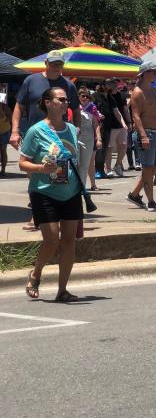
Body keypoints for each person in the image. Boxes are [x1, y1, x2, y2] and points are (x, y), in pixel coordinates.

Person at [20, 87, 83, 302]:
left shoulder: (73, 130)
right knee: (51, 239)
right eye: (61, 99)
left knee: (68, 240)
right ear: (48, 102)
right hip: (44, 192)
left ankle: (62, 290)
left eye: (67, 100)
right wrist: (40, 168)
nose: (66, 103)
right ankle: (36, 273)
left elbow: (75, 159)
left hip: (71, 191)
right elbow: (22, 163)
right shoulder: (36, 131)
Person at [10, 50, 80, 230]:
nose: (57, 67)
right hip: (34, 134)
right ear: (46, 63)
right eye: (54, 63)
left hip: (59, 137)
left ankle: (53, 215)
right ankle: (38, 213)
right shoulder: (31, 81)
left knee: (57, 175)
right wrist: (15, 131)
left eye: (60, 64)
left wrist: (76, 129)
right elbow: (19, 107)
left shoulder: (68, 86)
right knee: (33, 173)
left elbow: (76, 109)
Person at [125, 63, 156, 213]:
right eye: (152, 71)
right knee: (148, 168)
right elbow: (135, 115)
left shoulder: (155, 91)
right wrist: (143, 135)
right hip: (146, 133)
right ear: (144, 73)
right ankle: (151, 201)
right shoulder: (137, 92)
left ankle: (135, 194)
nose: (155, 73)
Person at [76, 88, 102, 191]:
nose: (85, 98)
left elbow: (96, 125)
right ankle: (74, 186)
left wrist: (99, 139)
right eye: (83, 96)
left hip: (88, 139)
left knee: (85, 164)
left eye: (87, 96)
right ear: (78, 97)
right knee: (75, 163)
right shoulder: (74, 107)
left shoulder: (92, 108)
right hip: (76, 137)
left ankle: (81, 187)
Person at [0, 93, 11, 177]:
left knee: (3, 150)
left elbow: (9, 113)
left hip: (3, 128)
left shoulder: (1, 97)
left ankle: (3, 170)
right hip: (4, 127)